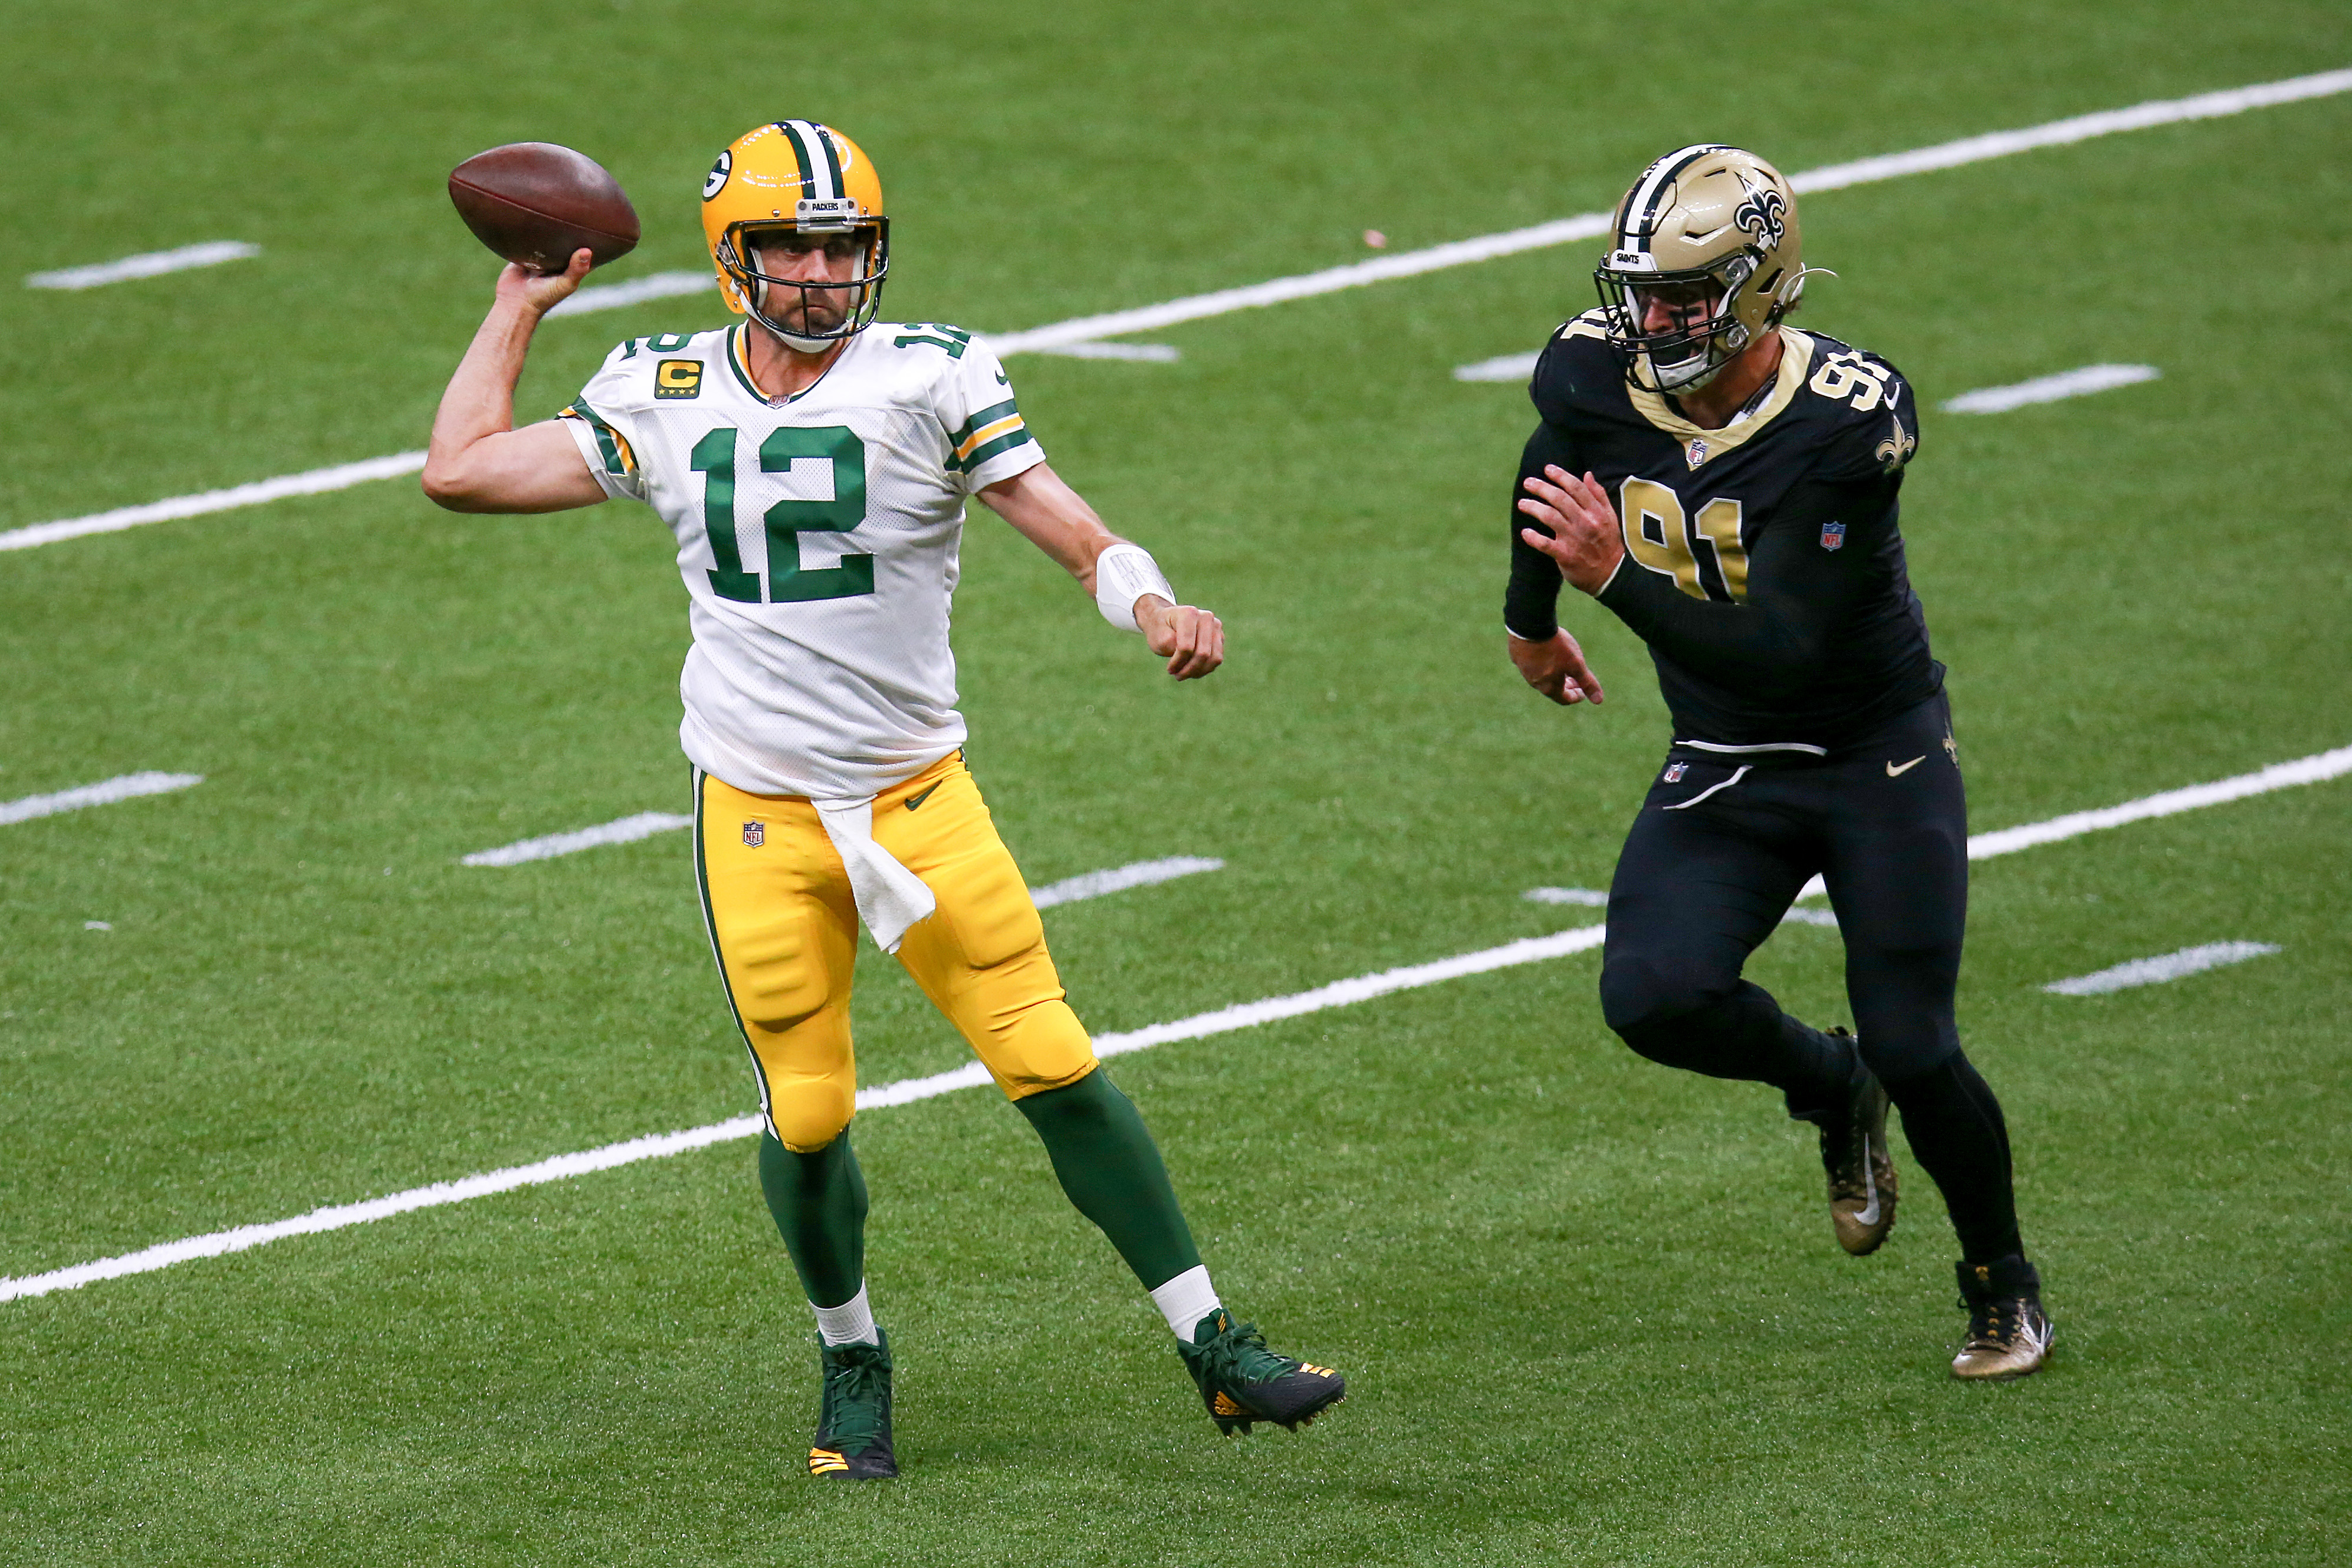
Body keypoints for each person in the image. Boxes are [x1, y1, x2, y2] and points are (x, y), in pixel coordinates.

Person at [422, 119, 1345, 1477]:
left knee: (1052, 1060)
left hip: (918, 795)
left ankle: (1213, 1346)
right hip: (756, 812)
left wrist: (1145, 595)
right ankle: (850, 1355)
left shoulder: (932, 375)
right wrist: (513, 306)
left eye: (841, 243)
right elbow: (459, 469)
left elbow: (1058, 516)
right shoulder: (661, 381)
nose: (821, 271)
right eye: (792, 244)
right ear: (734, 255)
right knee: (806, 1114)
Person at [1503, 145, 2051, 1379]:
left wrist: (1609, 580)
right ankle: (1828, 1086)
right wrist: (1530, 615)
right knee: (1650, 996)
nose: (1652, 319)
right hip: (1725, 754)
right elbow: (1552, 462)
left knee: (1917, 1040)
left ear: (1761, 287)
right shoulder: (1595, 368)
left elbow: (1780, 649)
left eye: (1684, 297)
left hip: (1869, 756)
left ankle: (2000, 1282)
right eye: (1641, 292)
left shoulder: (1846, 419)